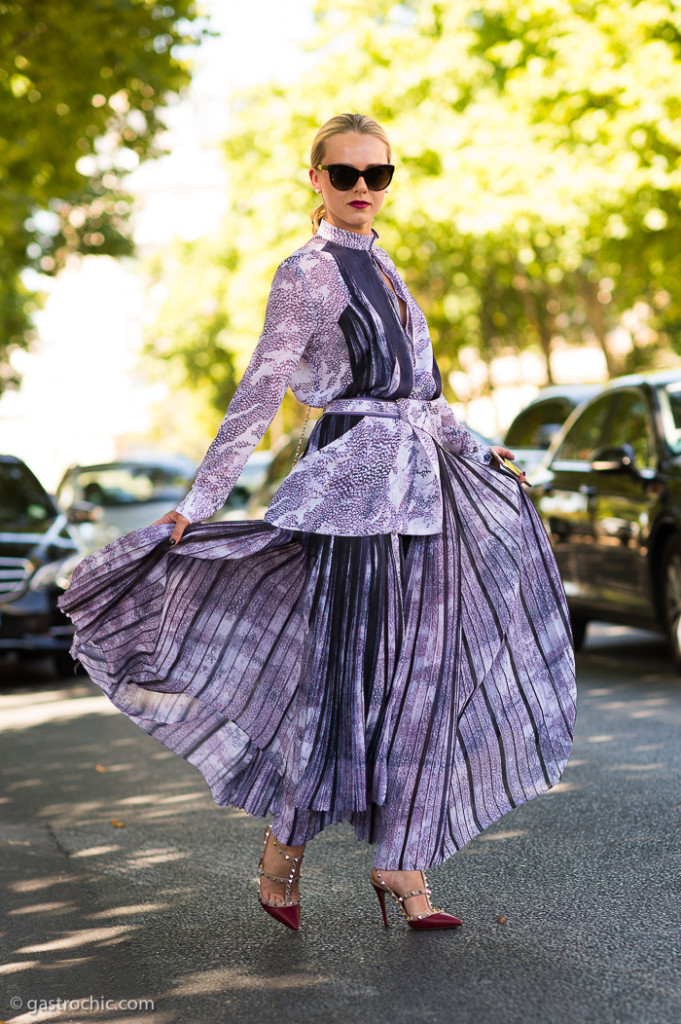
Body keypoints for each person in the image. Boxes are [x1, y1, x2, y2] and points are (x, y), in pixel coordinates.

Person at [59, 112, 576, 933]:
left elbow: (427, 400)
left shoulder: (391, 269)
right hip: (350, 504)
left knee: (418, 682)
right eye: (346, 175)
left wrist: (489, 457)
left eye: (379, 175)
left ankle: (401, 866)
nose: (364, 189)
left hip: (425, 500)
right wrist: (200, 501)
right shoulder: (305, 274)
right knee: (340, 686)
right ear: (315, 182)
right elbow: (260, 392)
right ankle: (281, 858)